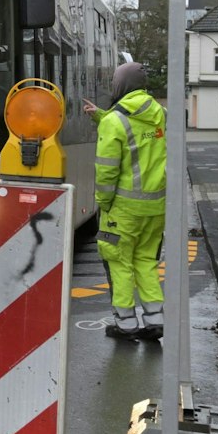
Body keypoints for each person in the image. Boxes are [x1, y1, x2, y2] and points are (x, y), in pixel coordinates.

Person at [94, 62, 168, 341]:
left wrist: (104, 202)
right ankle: (155, 319)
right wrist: (100, 116)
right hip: (156, 207)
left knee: (120, 263)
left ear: (120, 85)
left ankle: (125, 324)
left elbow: (107, 171)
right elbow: (139, 134)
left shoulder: (114, 122)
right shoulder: (161, 114)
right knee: (146, 261)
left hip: (123, 210)